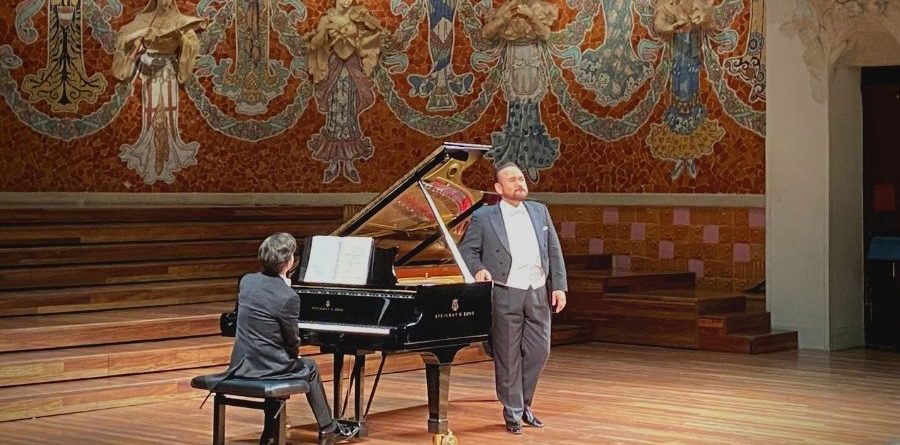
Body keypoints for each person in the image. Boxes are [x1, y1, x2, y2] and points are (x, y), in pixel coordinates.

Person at [459, 162, 568, 434]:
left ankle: (525, 403)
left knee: (539, 351)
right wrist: (480, 269)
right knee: (507, 356)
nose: (519, 183)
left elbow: (553, 250)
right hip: (505, 291)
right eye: (512, 180)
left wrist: (559, 286)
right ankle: (513, 412)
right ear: (499, 188)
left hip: (537, 290)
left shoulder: (539, 210)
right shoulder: (485, 217)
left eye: (521, 178)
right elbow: (468, 251)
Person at [227, 233, 357, 445]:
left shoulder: (247, 282)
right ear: (289, 262)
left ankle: (270, 433)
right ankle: (328, 428)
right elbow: (292, 340)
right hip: (268, 367)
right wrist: (293, 355)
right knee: (310, 367)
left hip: (241, 364)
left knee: (281, 361)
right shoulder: (288, 296)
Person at [111, 0, 207, 184]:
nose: (165, 2)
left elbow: (191, 44)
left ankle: (169, 153)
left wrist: (181, 39)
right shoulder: (144, 18)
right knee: (151, 113)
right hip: (148, 72)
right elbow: (122, 36)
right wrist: (139, 34)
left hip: (168, 71)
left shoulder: (179, 20)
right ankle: (148, 152)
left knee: (169, 111)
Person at [306, 0, 387, 183]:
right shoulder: (327, 18)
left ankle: (349, 162)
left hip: (351, 70)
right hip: (334, 70)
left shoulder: (360, 16)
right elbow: (314, 45)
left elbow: (372, 39)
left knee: (349, 113)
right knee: (335, 113)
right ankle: (335, 163)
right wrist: (325, 31)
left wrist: (360, 37)